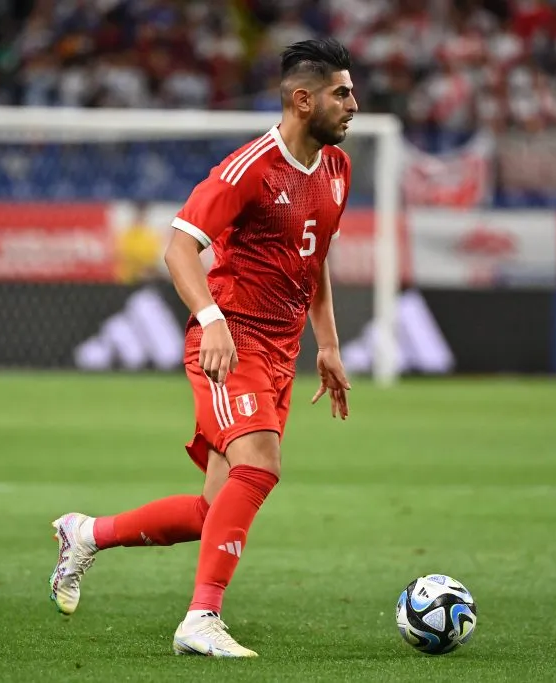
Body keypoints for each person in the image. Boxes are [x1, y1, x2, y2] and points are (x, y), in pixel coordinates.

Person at [48, 38, 358, 658]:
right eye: (341, 94)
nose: (354, 104)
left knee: (214, 508)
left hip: (279, 353)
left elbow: (314, 255)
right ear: (303, 100)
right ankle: (201, 618)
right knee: (261, 466)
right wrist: (210, 319)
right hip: (230, 346)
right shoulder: (248, 169)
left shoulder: (336, 170)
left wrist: (326, 343)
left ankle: (86, 533)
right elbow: (179, 247)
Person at [115, 201, 163, 284]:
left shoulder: (151, 234)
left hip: (145, 277)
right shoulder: (127, 234)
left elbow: (153, 258)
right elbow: (124, 255)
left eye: (142, 213)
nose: (141, 216)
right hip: (128, 279)